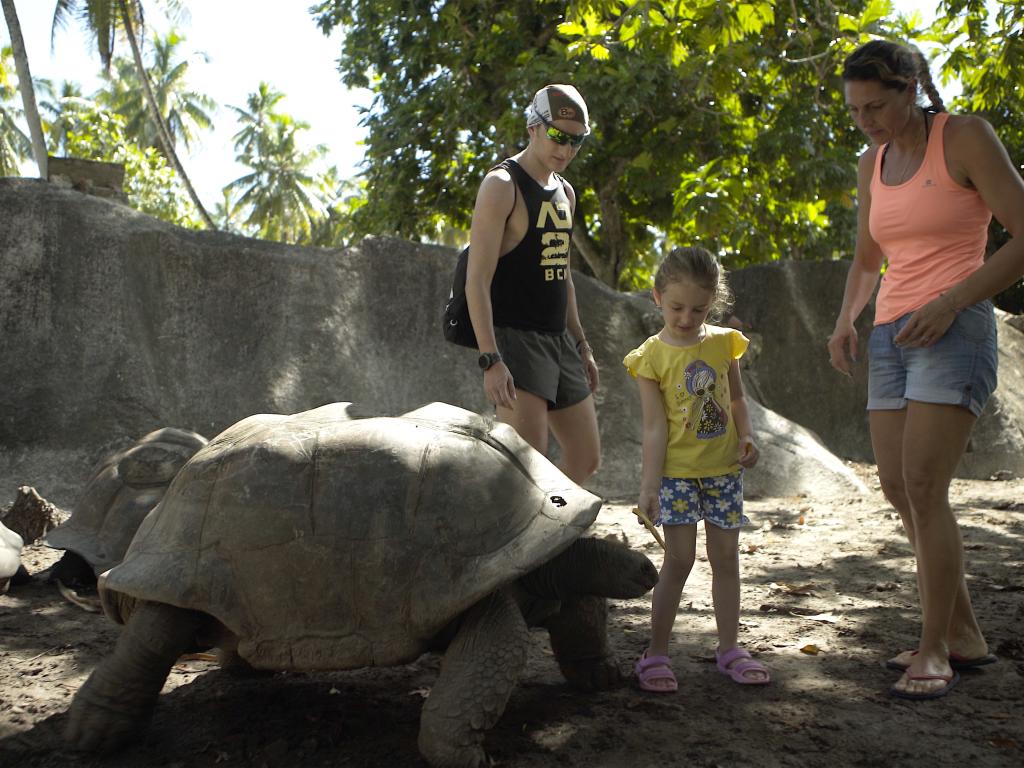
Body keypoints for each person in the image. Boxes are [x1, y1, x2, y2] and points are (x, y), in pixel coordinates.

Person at [828, 40, 1024, 700]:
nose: (867, 121)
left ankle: (936, 646)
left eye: (877, 106)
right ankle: (964, 633)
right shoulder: (871, 162)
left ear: (911, 87)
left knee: (923, 481)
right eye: (856, 111)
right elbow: (865, 258)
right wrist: (845, 319)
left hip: (955, 327)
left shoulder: (964, 138)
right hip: (890, 334)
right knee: (894, 484)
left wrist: (953, 300)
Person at [624, 246, 765, 693]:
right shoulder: (650, 357)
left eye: (698, 309)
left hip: (724, 472)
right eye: (676, 307)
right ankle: (657, 653)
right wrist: (649, 487)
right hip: (677, 476)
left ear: (713, 303)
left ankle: (729, 648)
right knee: (679, 559)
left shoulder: (725, 343)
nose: (686, 318)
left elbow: (738, 399)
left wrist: (746, 436)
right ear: (657, 297)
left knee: (726, 559)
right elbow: (653, 428)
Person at [465, 84, 600, 484]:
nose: (566, 149)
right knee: (525, 466)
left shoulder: (566, 193)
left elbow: (563, 275)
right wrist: (491, 359)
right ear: (533, 127)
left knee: (585, 458)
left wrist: (581, 343)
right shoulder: (501, 186)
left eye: (576, 141)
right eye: (558, 136)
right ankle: (530, 542)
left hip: (558, 341)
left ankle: (551, 533)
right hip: (515, 340)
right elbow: (477, 280)